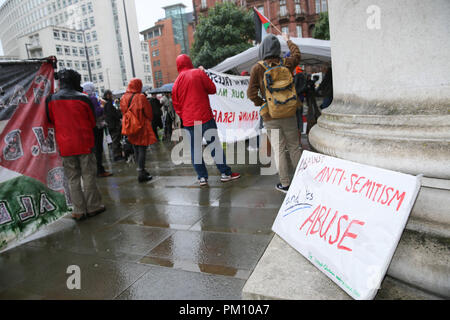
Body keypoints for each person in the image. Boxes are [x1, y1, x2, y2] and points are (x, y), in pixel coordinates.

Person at [172, 54, 240, 187]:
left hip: (189, 122)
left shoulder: (176, 83)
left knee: (195, 150)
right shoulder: (198, 73)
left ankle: (202, 177)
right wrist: (203, 74)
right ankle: (225, 173)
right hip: (205, 117)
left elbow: (177, 106)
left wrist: (185, 116)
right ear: (189, 62)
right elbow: (212, 89)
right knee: (215, 146)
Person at [46, 69, 105, 221]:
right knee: (88, 175)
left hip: (65, 145)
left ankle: (78, 210)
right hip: (85, 143)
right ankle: (93, 206)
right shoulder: (84, 98)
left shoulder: (51, 99)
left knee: (72, 178)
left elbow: (50, 121)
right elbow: (92, 122)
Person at [247, 33, 302, 193]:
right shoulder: (287, 63)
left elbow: (251, 93)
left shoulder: (258, 68)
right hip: (289, 111)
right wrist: (288, 40)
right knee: (294, 147)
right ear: (278, 49)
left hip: (271, 115)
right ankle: (302, 180)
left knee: (279, 149)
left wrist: (263, 103)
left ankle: (285, 184)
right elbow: (297, 54)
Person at [120, 78, 157, 183]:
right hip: (141, 126)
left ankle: (141, 170)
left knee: (135, 148)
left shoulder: (123, 97)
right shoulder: (140, 97)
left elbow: (123, 112)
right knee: (142, 149)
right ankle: (141, 172)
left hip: (130, 126)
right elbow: (149, 113)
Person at [82, 82, 112, 177]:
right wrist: (102, 106)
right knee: (98, 149)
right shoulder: (92, 99)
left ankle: (95, 169)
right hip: (97, 126)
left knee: (93, 149)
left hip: (89, 127)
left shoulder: (83, 99)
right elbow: (97, 112)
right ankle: (100, 170)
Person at [103, 90, 124, 161]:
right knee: (115, 140)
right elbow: (113, 114)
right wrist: (119, 114)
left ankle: (118, 154)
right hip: (114, 125)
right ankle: (117, 156)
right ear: (108, 95)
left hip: (111, 125)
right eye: (111, 94)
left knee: (115, 140)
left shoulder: (106, 104)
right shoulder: (108, 104)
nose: (112, 96)